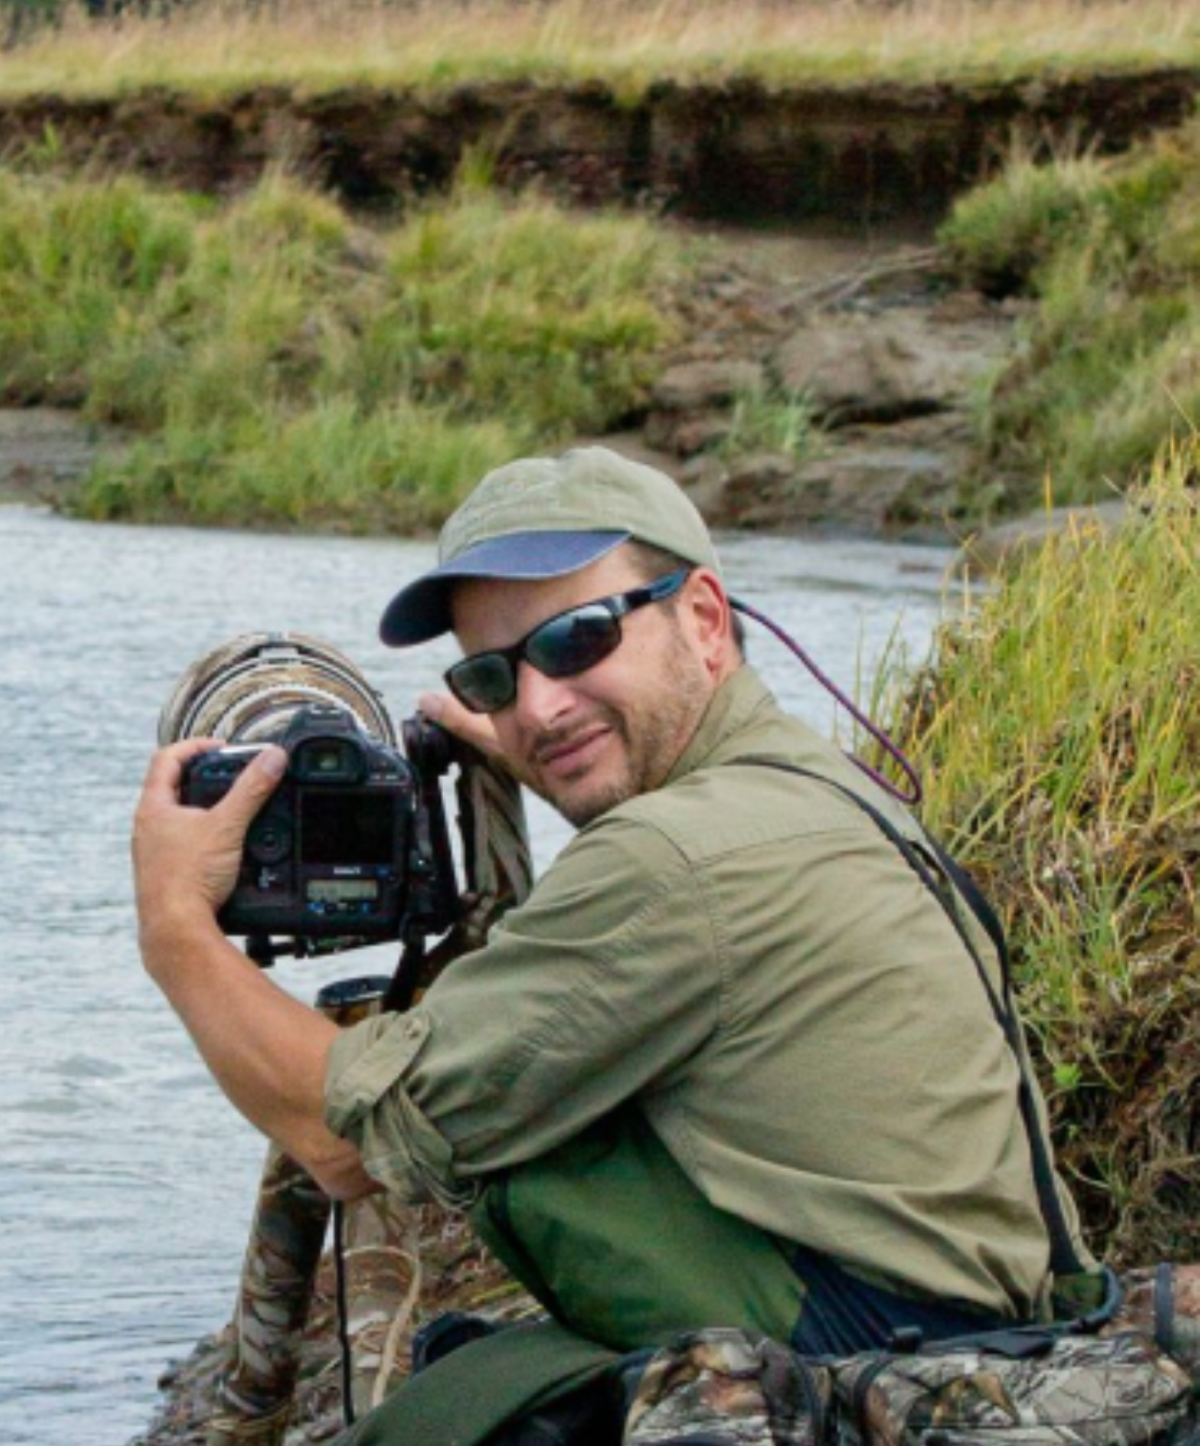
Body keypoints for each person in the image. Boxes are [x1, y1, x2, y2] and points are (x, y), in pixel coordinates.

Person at [134, 444, 1090, 1365]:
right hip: (988, 1326)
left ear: (705, 618)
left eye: (577, 638)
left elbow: (342, 1140)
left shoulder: (673, 860)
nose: (539, 707)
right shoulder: (811, 784)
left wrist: (175, 923)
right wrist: (560, 758)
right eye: (493, 674)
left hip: (877, 1365)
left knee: (475, 1110)